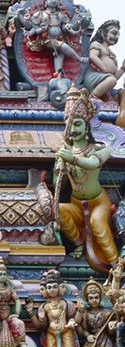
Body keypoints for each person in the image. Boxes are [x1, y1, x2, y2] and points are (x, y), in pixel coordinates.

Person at [55, 87, 119, 271]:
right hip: (76, 203)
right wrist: (58, 171)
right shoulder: (62, 152)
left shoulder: (100, 148)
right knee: (61, 210)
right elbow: (58, 183)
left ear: (86, 127)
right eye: (69, 124)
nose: (73, 129)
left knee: (97, 223)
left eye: (77, 124)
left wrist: (72, 159)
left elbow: (92, 164)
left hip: (98, 202)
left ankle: (116, 265)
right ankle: (79, 243)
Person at [0, 258, 26, 347]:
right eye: (0, 274)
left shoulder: (10, 289)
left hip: (8, 315)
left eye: (4, 274)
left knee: (20, 323)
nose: (3, 276)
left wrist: (17, 313)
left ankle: (22, 341)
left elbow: (17, 300)